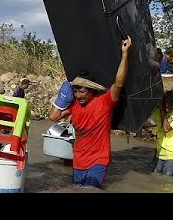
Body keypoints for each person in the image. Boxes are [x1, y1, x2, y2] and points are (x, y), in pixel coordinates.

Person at [48, 36, 132, 188]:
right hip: (79, 161)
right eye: (75, 91)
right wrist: (62, 97)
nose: (78, 95)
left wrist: (125, 54)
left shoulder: (104, 102)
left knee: (90, 189)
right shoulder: (74, 104)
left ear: (91, 90)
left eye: (81, 91)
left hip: (98, 160)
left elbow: (119, 83)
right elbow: (54, 117)